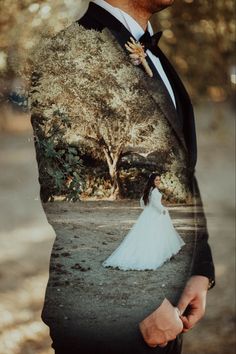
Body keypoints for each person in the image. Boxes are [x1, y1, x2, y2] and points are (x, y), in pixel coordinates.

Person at [29, 0, 216, 353]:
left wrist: (198, 270)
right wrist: (143, 301)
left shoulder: (157, 57)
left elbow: (180, 173)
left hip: (170, 303)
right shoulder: (68, 55)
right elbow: (71, 195)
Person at [102, 173, 185, 270]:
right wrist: (163, 210)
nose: (158, 181)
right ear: (152, 181)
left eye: (159, 180)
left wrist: (153, 208)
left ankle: (163, 253)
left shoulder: (150, 190)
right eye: (156, 180)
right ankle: (156, 254)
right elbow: (154, 204)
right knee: (155, 234)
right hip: (155, 214)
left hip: (148, 214)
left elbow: (142, 203)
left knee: (152, 234)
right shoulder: (153, 191)